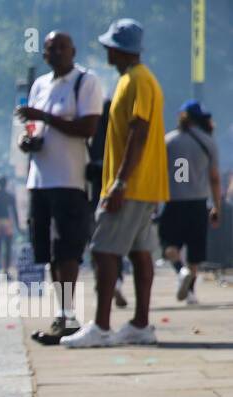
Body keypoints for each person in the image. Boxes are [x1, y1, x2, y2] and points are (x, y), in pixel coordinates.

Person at [64, 19, 167, 348]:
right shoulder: (133, 80)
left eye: (110, 46)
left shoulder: (138, 81)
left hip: (131, 185)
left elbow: (139, 132)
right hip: (140, 184)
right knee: (139, 253)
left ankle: (102, 327)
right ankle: (140, 324)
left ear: (120, 49)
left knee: (103, 251)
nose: (106, 50)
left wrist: (120, 183)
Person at [17, 31, 103, 342]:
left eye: (61, 48)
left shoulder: (85, 82)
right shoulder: (40, 85)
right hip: (39, 180)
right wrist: (28, 140)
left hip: (69, 180)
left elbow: (87, 127)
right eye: (50, 49)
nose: (55, 53)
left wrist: (44, 116)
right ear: (44, 54)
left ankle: (69, 316)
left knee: (68, 251)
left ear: (73, 51)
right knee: (50, 253)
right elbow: (32, 127)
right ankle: (62, 314)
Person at [160, 100, 220, 305]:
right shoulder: (209, 142)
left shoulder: (170, 140)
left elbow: (160, 173)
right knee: (195, 250)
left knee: (168, 243)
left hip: (175, 201)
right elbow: (214, 178)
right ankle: (191, 290)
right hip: (198, 202)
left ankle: (181, 270)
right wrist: (216, 206)